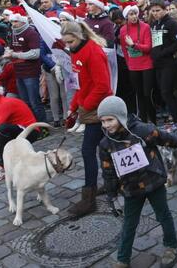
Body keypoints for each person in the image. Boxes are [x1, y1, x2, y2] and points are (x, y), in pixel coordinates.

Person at [97, 96, 177, 268]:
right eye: (103, 121)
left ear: (121, 116)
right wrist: (112, 195)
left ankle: (170, 246)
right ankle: (123, 259)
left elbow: (162, 136)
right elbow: (108, 172)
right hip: (130, 189)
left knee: (163, 215)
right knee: (129, 224)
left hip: (153, 182)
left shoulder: (141, 130)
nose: (106, 125)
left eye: (110, 119)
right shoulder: (105, 144)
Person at [61, 20, 113, 217]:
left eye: (70, 42)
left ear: (79, 36)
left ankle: (89, 198)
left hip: (99, 108)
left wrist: (84, 106)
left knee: (88, 150)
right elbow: (82, 84)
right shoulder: (77, 52)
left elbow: (102, 86)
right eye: (66, 42)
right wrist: (74, 107)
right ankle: (111, 182)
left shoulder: (93, 51)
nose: (68, 46)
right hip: (90, 106)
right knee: (105, 148)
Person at [5, 7, 45, 122]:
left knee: (34, 101)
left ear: (23, 21)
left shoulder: (31, 33)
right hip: (18, 72)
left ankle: (42, 125)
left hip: (30, 72)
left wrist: (15, 55)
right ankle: (31, 124)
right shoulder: (13, 33)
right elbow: (12, 49)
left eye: (16, 21)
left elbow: (35, 53)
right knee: (25, 101)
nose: (13, 24)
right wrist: (8, 52)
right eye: (12, 21)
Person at [149, 0, 177, 123]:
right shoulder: (154, 24)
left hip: (169, 63)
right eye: (153, 11)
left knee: (167, 92)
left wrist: (163, 52)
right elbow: (155, 42)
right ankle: (175, 117)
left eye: (158, 10)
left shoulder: (171, 23)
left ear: (165, 10)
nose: (155, 13)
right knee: (163, 92)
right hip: (158, 63)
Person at [119, 4, 155, 123]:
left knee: (147, 94)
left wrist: (134, 45)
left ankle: (153, 120)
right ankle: (143, 121)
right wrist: (129, 64)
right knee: (138, 94)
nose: (134, 16)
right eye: (131, 14)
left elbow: (148, 47)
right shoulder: (123, 30)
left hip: (146, 65)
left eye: (135, 13)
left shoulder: (145, 27)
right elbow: (124, 49)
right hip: (133, 66)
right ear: (126, 17)